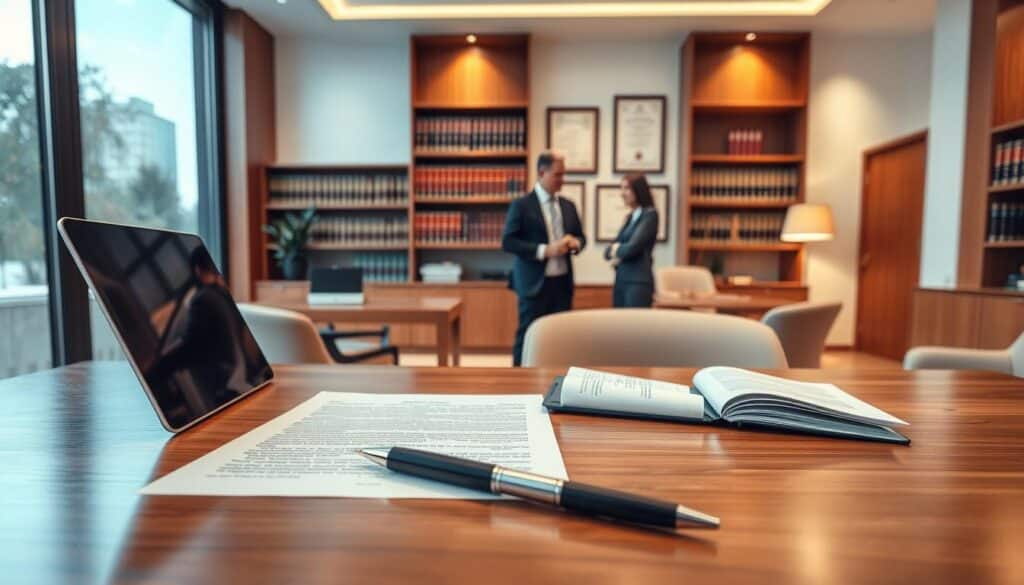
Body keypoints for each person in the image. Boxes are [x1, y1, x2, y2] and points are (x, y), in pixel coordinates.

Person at [502, 150, 586, 366]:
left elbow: (581, 237)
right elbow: (508, 242)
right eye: (558, 175)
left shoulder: (568, 206)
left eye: (563, 174)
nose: (562, 180)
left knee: (562, 337)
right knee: (527, 335)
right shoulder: (521, 206)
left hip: (562, 284)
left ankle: (557, 381)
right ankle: (518, 383)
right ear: (542, 172)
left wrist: (576, 243)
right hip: (533, 284)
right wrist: (545, 250)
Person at [604, 173, 658, 308]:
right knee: (619, 327)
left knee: (635, 328)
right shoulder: (630, 217)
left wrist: (616, 249)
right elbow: (606, 252)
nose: (622, 193)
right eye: (621, 189)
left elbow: (632, 248)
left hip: (638, 283)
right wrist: (616, 249)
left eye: (627, 188)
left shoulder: (650, 215)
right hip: (621, 281)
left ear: (639, 190)